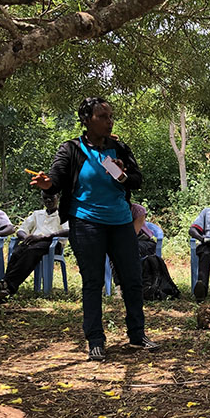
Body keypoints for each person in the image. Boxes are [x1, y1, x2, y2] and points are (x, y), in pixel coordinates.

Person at [30, 96, 156, 362]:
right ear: (86, 120)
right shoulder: (72, 149)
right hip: (86, 222)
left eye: (110, 116)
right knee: (93, 282)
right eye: (103, 117)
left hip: (121, 221)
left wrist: (123, 175)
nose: (109, 121)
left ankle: (137, 335)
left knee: (132, 279)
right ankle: (95, 340)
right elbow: (56, 181)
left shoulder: (119, 147)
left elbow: (137, 180)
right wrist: (46, 185)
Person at [0, 192, 70, 302]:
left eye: (51, 197)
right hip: (34, 242)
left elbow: (68, 230)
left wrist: (45, 236)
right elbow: (21, 230)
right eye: (45, 198)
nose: (48, 201)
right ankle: (6, 289)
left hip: (52, 243)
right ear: (42, 199)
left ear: (57, 197)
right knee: (17, 251)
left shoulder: (63, 213)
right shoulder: (37, 214)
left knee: (31, 251)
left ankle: (6, 284)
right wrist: (26, 236)